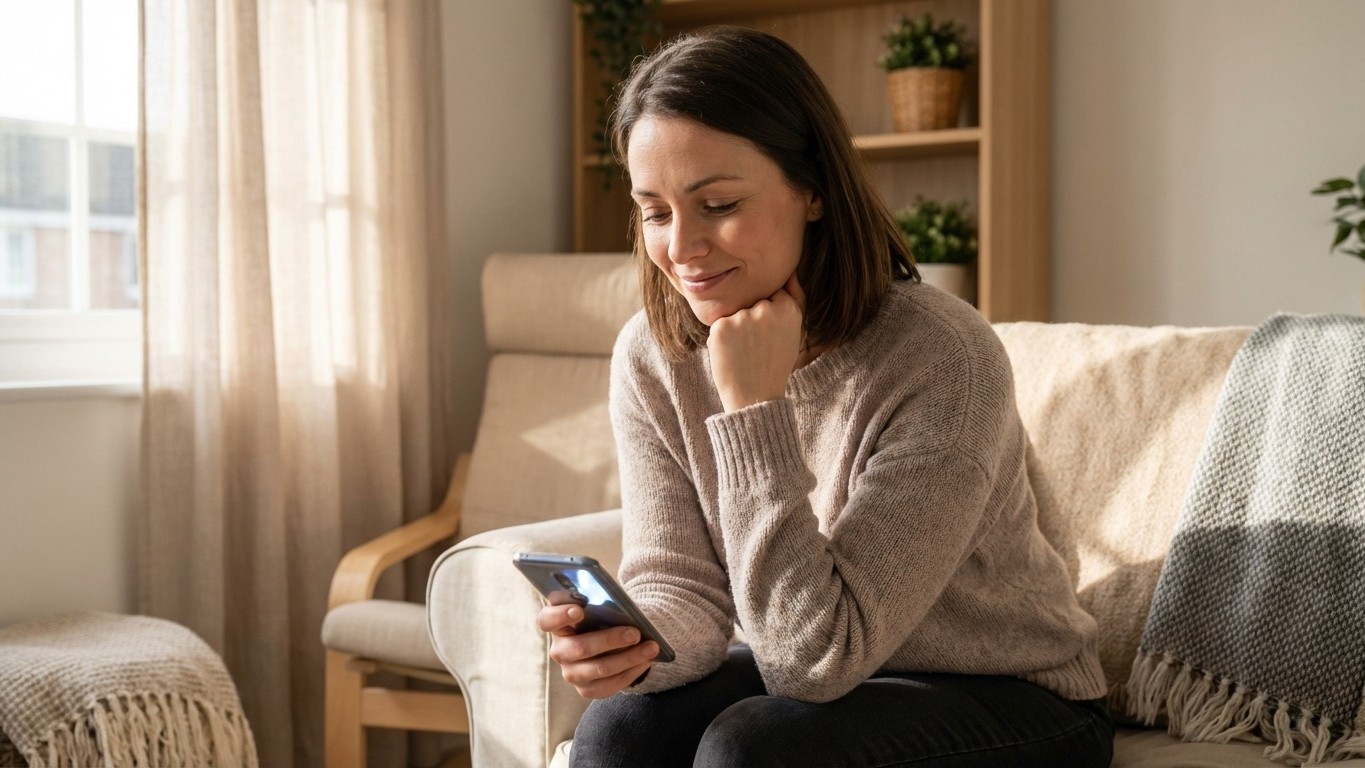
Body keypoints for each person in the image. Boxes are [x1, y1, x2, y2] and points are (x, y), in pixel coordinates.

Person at [536, 26, 1114, 767]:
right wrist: (634, 644)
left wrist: (753, 412)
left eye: (716, 204)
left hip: (1009, 695)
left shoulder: (943, 358)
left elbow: (812, 663)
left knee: (756, 748)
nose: (680, 248)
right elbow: (681, 580)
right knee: (622, 725)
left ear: (811, 190)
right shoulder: (653, 355)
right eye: (655, 211)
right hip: (834, 671)